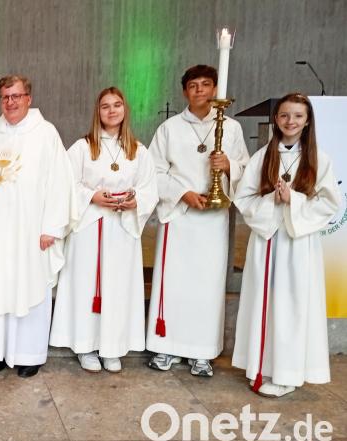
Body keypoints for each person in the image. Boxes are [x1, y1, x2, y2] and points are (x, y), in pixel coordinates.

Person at [0, 75, 73, 378]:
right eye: (5, 97)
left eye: (16, 96)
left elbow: (61, 183)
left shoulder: (46, 134)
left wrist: (52, 226)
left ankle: (28, 354)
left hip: (29, 231)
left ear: (28, 98)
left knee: (29, 286)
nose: (10, 102)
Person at [232, 93, 339, 397]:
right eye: (284, 116)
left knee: (292, 306)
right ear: (276, 119)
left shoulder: (318, 158)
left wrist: (295, 200)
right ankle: (260, 364)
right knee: (264, 303)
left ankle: (287, 373)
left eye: (298, 116)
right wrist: (271, 201)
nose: (290, 121)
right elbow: (244, 197)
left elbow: (330, 203)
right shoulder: (263, 155)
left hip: (298, 243)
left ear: (307, 122)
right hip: (266, 240)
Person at [145, 65, 249, 377]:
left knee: (207, 284)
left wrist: (228, 165)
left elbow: (246, 167)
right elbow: (153, 171)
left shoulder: (230, 129)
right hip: (179, 216)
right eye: (193, 85)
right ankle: (166, 347)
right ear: (184, 92)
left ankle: (202, 352)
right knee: (173, 283)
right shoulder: (170, 128)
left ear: (215, 89)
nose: (200, 90)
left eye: (206, 84)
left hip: (213, 218)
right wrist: (183, 193)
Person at [50, 87, 158, 373]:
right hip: (89, 227)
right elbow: (66, 184)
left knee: (118, 286)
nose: (112, 111)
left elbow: (150, 188)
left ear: (125, 110)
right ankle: (86, 346)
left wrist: (136, 200)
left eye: (117, 105)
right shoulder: (83, 147)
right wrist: (92, 197)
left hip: (121, 229)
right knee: (87, 285)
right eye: (105, 106)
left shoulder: (139, 150)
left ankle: (112, 347)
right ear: (97, 112)